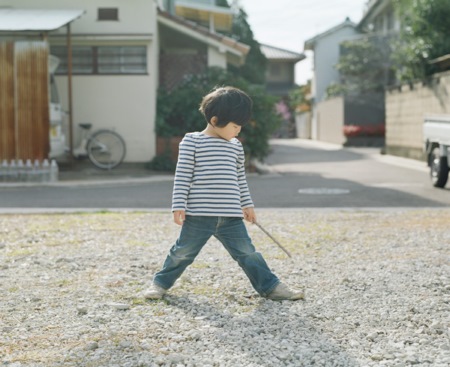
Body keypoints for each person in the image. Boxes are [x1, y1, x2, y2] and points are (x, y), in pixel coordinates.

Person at [144, 86, 304, 301]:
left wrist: (247, 205)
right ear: (215, 120)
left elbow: (240, 179)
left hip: (231, 217)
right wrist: (178, 205)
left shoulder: (235, 146)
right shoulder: (192, 141)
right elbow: (182, 176)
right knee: (182, 253)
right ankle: (159, 284)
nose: (238, 130)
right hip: (199, 215)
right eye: (235, 125)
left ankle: (271, 287)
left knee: (248, 253)